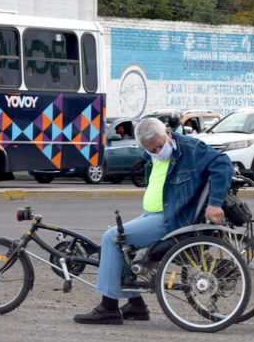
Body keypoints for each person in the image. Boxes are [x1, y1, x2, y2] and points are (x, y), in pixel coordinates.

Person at [73, 117, 234, 325]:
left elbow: (223, 163)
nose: (157, 152)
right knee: (120, 246)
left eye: (159, 146)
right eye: (152, 150)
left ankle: (108, 307)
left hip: (171, 219)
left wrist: (215, 203)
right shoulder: (152, 153)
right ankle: (136, 305)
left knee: (112, 238)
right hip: (154, 214)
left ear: (168, 133)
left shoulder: (190, 148)